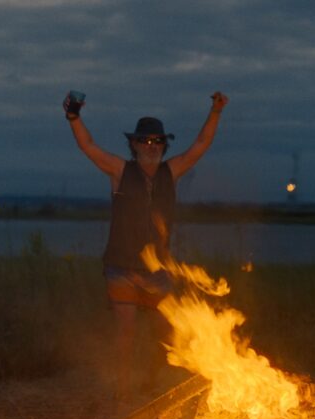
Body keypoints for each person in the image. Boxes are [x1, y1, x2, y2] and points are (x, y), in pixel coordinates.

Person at [64, 90, 229, 402]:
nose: (151, 146)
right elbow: (88, 146)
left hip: (158, 270)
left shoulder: (171, 171)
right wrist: (73, 117)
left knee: (163, 333)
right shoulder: (120, 170)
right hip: (121, 266)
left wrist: (216, 111)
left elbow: (201, 145)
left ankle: (153, 386)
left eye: (157, 141)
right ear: (135, 145)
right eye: (145, 141)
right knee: (126, 332)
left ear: (164, 145)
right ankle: (123, 392)